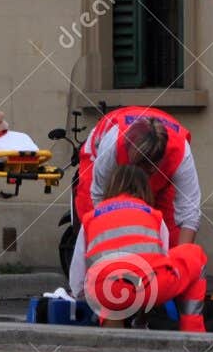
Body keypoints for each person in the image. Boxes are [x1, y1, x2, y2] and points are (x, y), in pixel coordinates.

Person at [68, 105, 201, 296]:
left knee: (172, 234)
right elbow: (97, 195)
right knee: (92, 220)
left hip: (160, 173)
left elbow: (189, 215)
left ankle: (153, 289)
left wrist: (177, 269)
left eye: (151, 169)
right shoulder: (112, 145)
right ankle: (98, 285)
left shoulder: (181, 153)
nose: (146, 177)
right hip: (103, 164)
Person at [83, 164, 209, 332]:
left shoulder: (91, 218)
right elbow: (162, 260)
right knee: (195, 255)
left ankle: (112, 337)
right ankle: (192, 333)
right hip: (150, 288)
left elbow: (78, 278)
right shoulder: (152, 214)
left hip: (109, 292)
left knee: (103, 279)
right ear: (145, 189)